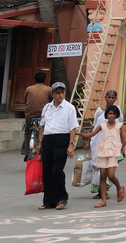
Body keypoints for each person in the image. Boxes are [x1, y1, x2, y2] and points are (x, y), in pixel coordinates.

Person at [38, 82, 78, 210]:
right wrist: (40, 143)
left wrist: (71, 145)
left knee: (57, 170)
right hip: (48, 140)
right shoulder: (47, 108)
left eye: (62, 92)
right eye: (57, 93)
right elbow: (43, 126)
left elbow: (73, 128)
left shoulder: (69, 108)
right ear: (53, 94)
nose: (60, 95)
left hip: (62, 139)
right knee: (47, 171)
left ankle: (62, 197)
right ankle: (49, 200)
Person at [82, 105, 126, 208]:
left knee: (111, 175)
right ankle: (103, 200)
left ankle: (119, 187)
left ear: (117, 115)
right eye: (110, 113)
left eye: (114, 114)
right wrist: (77, 133)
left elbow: (125, 138)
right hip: (103, 152)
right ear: (106, 115)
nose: (112, 116)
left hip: (113, 153)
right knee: (102, 176)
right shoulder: (102, 125)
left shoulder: (119, 126)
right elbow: (91, 135)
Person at [88, 89, 118, 197]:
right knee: (97, 166)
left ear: (115, 99)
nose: (110, 99)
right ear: (105, 98)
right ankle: (100, 191)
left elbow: (119, 127)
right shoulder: (99, 111)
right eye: (108, 97)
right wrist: (88, 142)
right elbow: (94, 126)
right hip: (97, 141)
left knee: (106, 168)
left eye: (112, 97)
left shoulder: (117, 111)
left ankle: (104, 192)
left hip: (110, 143)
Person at [22, 71, 49, 160]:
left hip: (30, 115)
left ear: (35, 79)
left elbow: (25, 101)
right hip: (42, 116)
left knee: (27, 131)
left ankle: (26, 152)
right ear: (44, 80)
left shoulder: (29, 89)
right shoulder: (48, 89)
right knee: (46, 131)